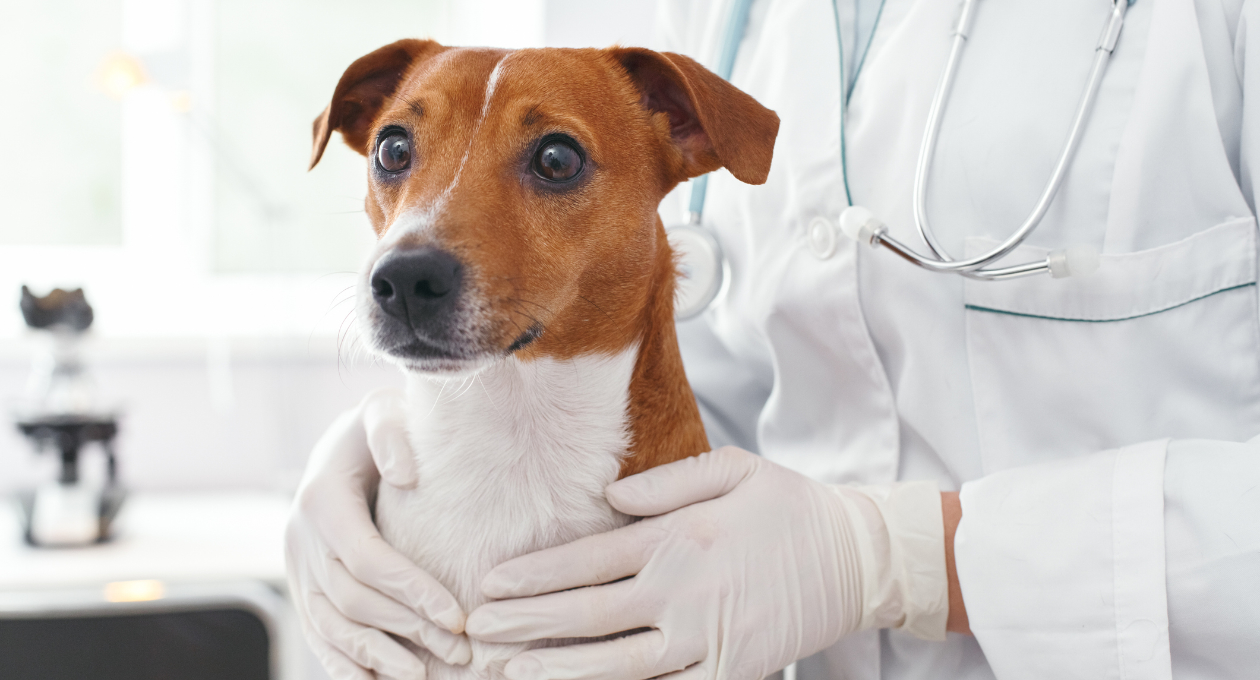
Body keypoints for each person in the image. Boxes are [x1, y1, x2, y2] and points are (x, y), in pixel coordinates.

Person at [284, 0, 1260, 678]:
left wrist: (898, 554)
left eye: (552, 160)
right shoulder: (725, 17)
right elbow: (697, 370)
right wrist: (427, 454)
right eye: (395, 155)